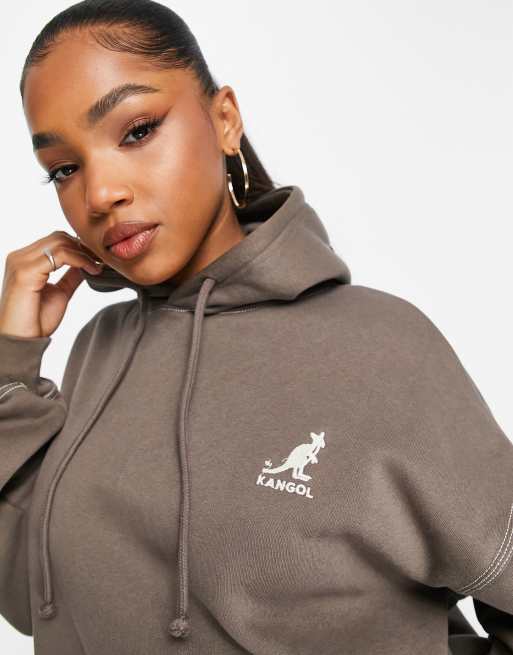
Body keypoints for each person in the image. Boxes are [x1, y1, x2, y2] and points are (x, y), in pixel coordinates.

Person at [0, 1, 511, 653]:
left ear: (224, 119)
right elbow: (36, 596)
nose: (100, 194)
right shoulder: (102, 350)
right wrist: (12, 365)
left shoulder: (382, 350)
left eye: (137, 131)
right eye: (65, 168)